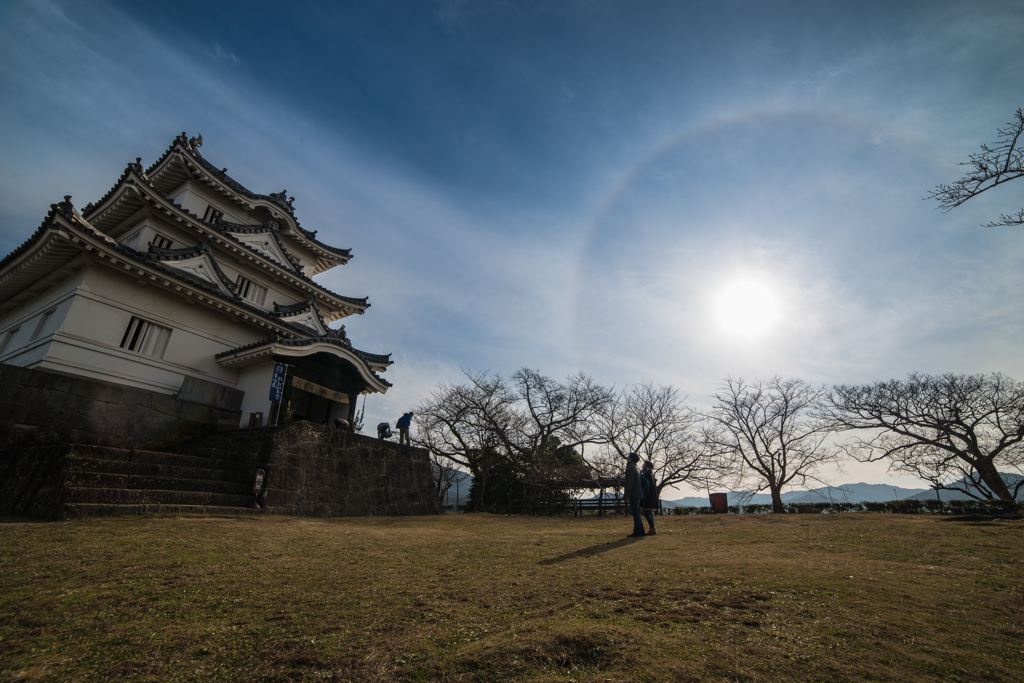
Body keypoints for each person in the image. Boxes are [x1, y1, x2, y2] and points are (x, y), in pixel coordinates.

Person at [623, 452, 645, 537]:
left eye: (628, 456)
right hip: (637, 492)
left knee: (635, 512)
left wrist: (628, 494)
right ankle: (641, 529)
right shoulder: (637, 467)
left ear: (631, 458)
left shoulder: (630, 467)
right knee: (636, 512)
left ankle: (637, 530)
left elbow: (630, 482)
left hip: (633, 493)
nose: (627, 458)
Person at [641, 460, 658, 535]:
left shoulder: (646, 474)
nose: (642, 465)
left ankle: (652, 528)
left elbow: (645, 484)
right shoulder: (650, 474)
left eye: (644, 464)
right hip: (652, 495)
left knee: (646, 512)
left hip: (648, 495)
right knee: (649, 512)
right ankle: (652, 527)